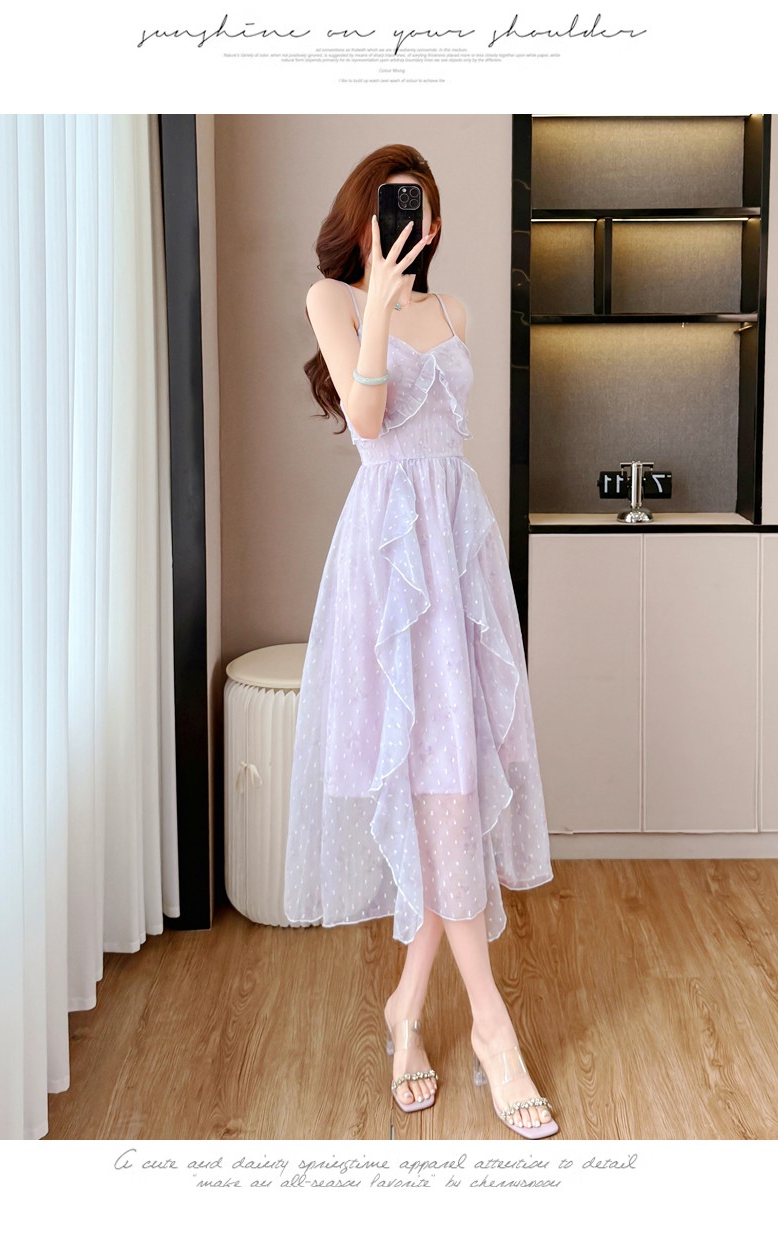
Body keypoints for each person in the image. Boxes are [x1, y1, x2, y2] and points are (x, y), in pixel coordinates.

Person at [283, 144, 559, 1139]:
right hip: (390, 563)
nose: (411, 220)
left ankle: (408, 1008)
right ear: (365, 218)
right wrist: (379, 305)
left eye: (422, 209)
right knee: (436, 784)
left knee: (454, 786)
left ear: (434, 224)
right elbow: (367, 419)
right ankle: (490, 1024)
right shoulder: (332, 299)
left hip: (459, 556)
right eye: (394, 205)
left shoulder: (460, 313)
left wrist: (408, 304)